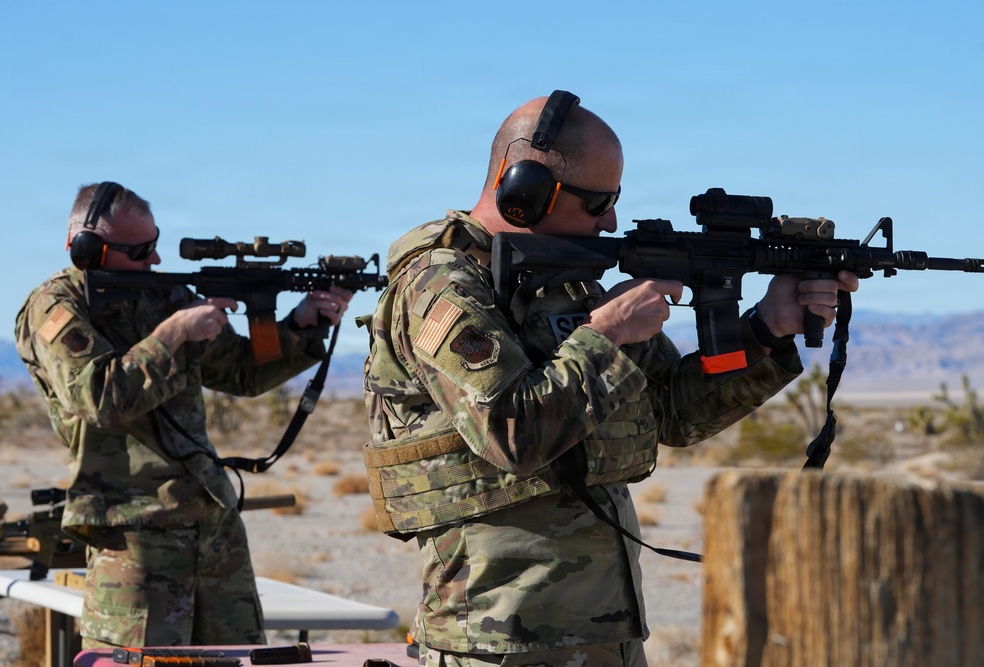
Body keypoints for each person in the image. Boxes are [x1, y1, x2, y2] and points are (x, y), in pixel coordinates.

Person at [361, 91, 859, 667]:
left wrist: (768, 328)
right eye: (598, 202)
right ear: (524, 191)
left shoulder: (570, 284)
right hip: (499, 642)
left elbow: (672, 412)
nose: (611, 221)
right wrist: (607, 333)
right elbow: (512, 433)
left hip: (606, 634)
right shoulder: (439, 287)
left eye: (615, 200)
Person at [14, 182, 353, 649]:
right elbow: (98, 398)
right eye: (140, 251)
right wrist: (173, 334)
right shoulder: (56, 307)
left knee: (237, 658)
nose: (155, 259)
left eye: (154, 243)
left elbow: (241, 372)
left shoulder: (164, 295)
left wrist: (301, 324)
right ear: (87, 251)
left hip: (211, 520)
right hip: (133, 532)